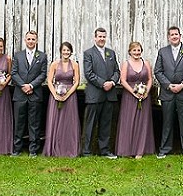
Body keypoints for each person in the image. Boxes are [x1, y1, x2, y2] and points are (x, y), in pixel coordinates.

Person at [154, 26, 183, 159]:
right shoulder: (162, 52)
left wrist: (182, 85)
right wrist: (168, 85)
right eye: (172, 34)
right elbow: (158, 71)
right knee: (167, 122)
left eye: (176, 34)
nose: (174, 36)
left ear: (180, 35)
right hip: (167, 93)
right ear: (168, 37)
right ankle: (164, 149)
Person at [81, 27, 120, 158]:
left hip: (109, 95)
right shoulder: (88, 53)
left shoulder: (111, 53)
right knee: (90, 123)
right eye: (99, 37)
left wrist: (112, 82)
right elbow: (88, 73)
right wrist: (103, 84)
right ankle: (86, 151)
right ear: (95, 38)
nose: (102, 39)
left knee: (106, 124)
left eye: (104, 37)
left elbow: (117, 71)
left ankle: (105, 150)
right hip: (95, 94)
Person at [115, 41, 155, 158]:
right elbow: (123, 80)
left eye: (138, 50)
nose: (136, 53)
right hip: (129, 97)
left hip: (144, 97)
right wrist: (134, 92)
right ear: (130, 52)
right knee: (129, 121)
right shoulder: (126, 64)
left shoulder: (146, 63)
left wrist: (146, 91)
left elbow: (149, 79)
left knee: (143, 122)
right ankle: (126, 149)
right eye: (134, 50)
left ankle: (140, 150)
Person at [10, 31, 48, 157]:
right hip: (20, 93)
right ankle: (17, 149)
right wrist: (23, 86)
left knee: (34, 123)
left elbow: (43, 74)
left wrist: (31, 85)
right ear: (25, 40)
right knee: (19, 122)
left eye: (33, 39)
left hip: (35, 94)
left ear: (36, 41)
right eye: (29, 39)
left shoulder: (42, 56)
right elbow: (14, 73)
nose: (31, 41)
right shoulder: (18, 55)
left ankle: (33, 149)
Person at [43, 41, 81, 157]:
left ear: (71, 52)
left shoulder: (74, 64)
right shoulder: (54, 64)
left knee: (69, 122)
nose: (66, 52)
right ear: (61, 51)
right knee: (55, 121)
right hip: (55, 95)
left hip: (70, 96)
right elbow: (49, 80)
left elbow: (77, 81)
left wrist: (68, 94)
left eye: (68, 50)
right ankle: (54, 148)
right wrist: (55, 94)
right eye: (64, 50)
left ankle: (69, 148)